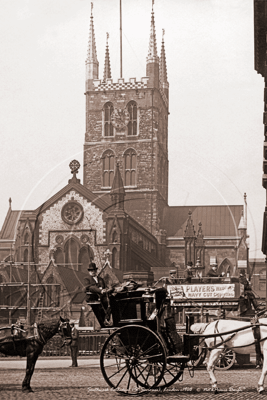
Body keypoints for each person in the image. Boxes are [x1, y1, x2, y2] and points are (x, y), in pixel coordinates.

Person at [84, 262, 111, 327]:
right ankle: (102, 322)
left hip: (102, 297)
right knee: (91, 287)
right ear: (89, 272)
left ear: (96, 271)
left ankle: (106, 319)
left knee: (109, 302)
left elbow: (104, 286)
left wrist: (106, 289)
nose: (93, 272)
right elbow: (87, 287)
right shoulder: (87, 279)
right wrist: (99, 288)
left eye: (94, 270)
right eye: (91, 270)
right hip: (92, 297)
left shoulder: (101, 279)